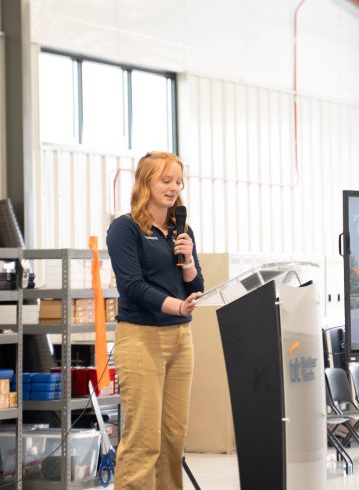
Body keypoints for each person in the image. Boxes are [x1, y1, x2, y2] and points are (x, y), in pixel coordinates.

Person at [106, 151, 205, 490]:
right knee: (144, 439)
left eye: (178, 181)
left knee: (173, 439)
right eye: (166, 180)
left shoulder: (182, 229)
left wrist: (188, 258)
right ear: (146, 182)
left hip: (180, 340)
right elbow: (132, 286)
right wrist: (176, 307)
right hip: (141, 339)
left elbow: (197, 285)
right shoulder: (125, 228)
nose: (174, 187)